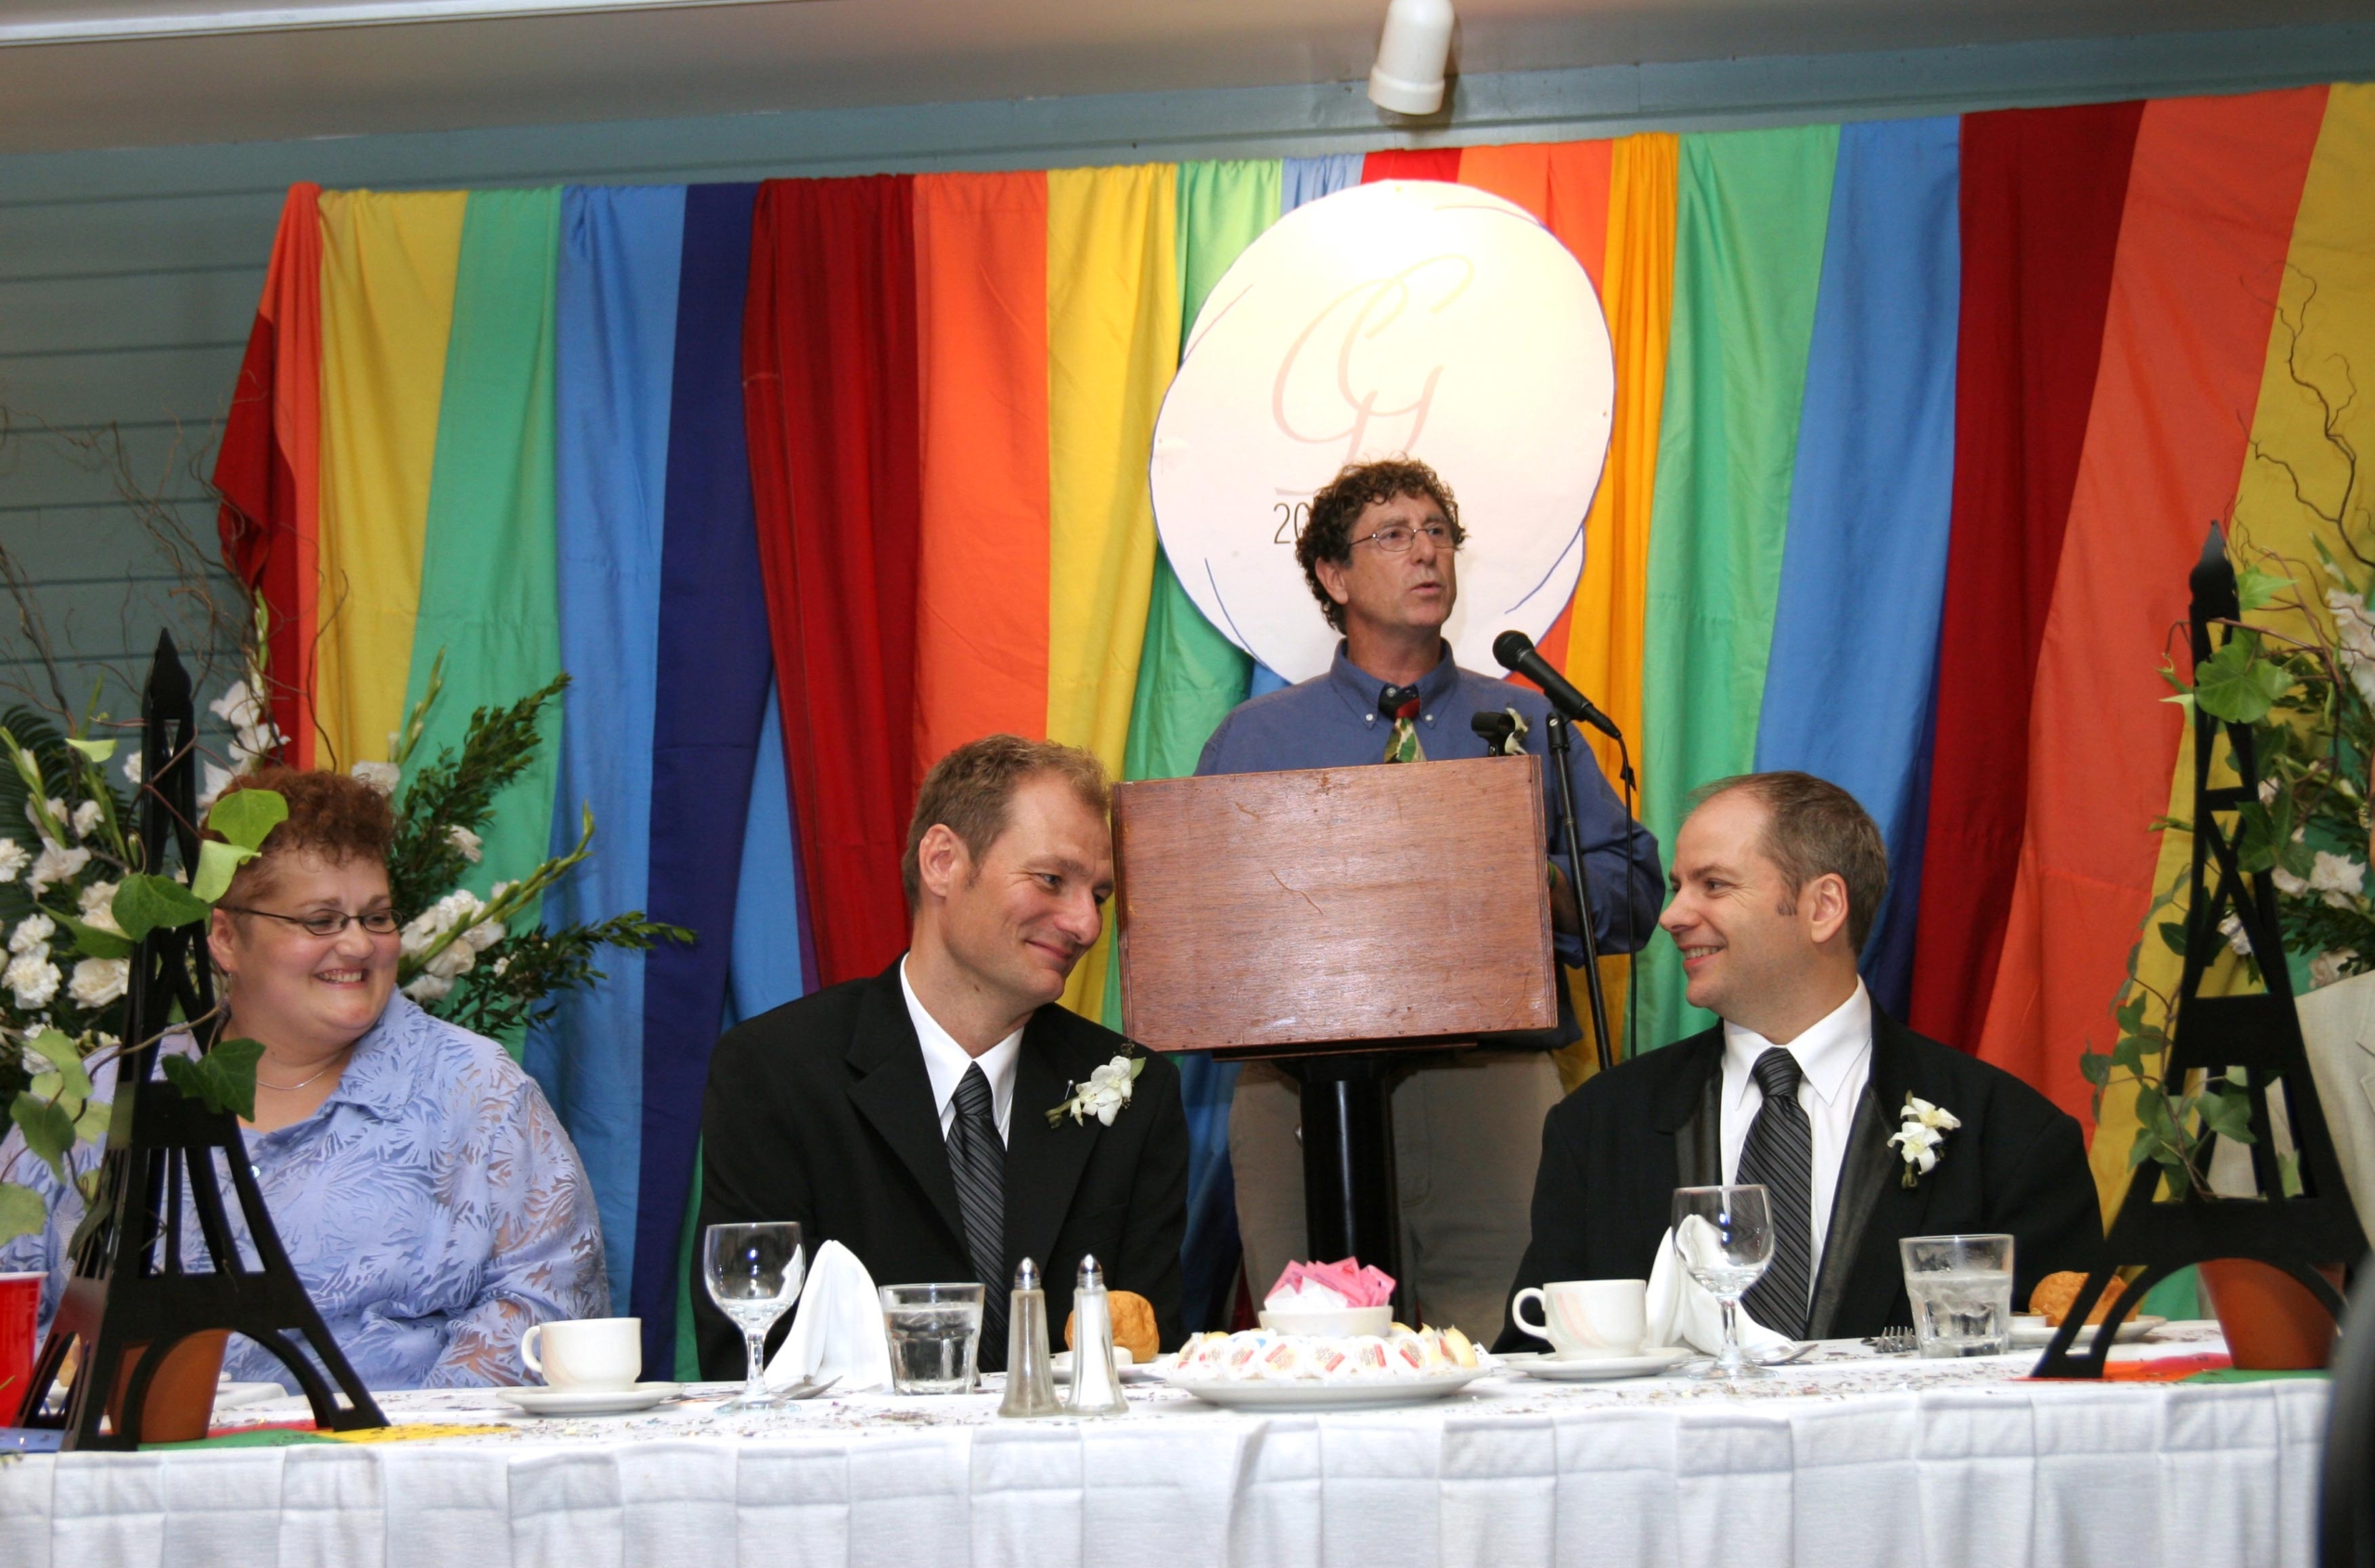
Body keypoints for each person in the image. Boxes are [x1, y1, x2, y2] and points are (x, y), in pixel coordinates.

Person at [1198, 457, 1663, 1341]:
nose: (1427, 552)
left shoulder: (1534, 723)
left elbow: (1635, 890)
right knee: (1318, 1354)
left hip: (1490, 1081)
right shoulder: (1256, 739)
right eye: (1394, 534)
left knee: (1507, 1349)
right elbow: (1208, 924)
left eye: (1439, 532)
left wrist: (1531, 882)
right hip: (1298, 1092)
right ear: (1333, 577)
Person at [0, 767, 609, 1389]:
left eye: (376, 917)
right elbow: (11, 1306)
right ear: (225, 936)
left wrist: (390, 1459)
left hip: (397, 1471)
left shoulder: (479, 1094)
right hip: (123, 1478)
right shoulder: (101, 1098)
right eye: (321, 920)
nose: (357, 945)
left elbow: (547, 1308)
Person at [1496, 772, 2104, 1348]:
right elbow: (1534, 1359)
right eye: (1679, 885)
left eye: (1713, 884)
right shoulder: (1596, 1128)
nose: (1672, 915)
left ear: (1823, 906)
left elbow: (2058, 1389)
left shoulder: (2011, 1138)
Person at [694, 735, 1189, 1375]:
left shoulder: (1131, 1088)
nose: (1086, 925)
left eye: (1097, 895)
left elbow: (1150, 1364)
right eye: (1052, 879)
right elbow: (746, 1354)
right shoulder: (774, 1072)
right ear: (943, 862)